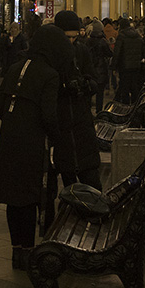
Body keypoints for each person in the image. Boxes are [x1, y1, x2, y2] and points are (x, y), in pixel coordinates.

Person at [0, 23, 62, 270]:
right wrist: (54, 137)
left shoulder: (16, 67)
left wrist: (14, 121)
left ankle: (16, 250)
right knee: (28, 197)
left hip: (9, 138)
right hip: (32, 142)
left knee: (12, 196)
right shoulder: (50, 74)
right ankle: (28, 251)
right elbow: (50, 116)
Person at [52, 10, 102, 189]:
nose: (71, 41)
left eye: (74, 37)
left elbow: (94, 78)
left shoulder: (81, 51)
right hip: (62, 121)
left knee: (91, 180)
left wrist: (87, 84)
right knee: (68, 180)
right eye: (67, 37)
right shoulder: (52, 56)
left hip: (82, 120)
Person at [112, 18, 145, 104]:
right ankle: (134, 105)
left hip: (124, 66)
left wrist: (113, 66)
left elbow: (117, 53)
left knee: (125, 87)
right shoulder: (137, 35)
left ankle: (125, 107)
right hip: (136, 66)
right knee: (134, 87)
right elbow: (142, 50)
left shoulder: (121, 36)